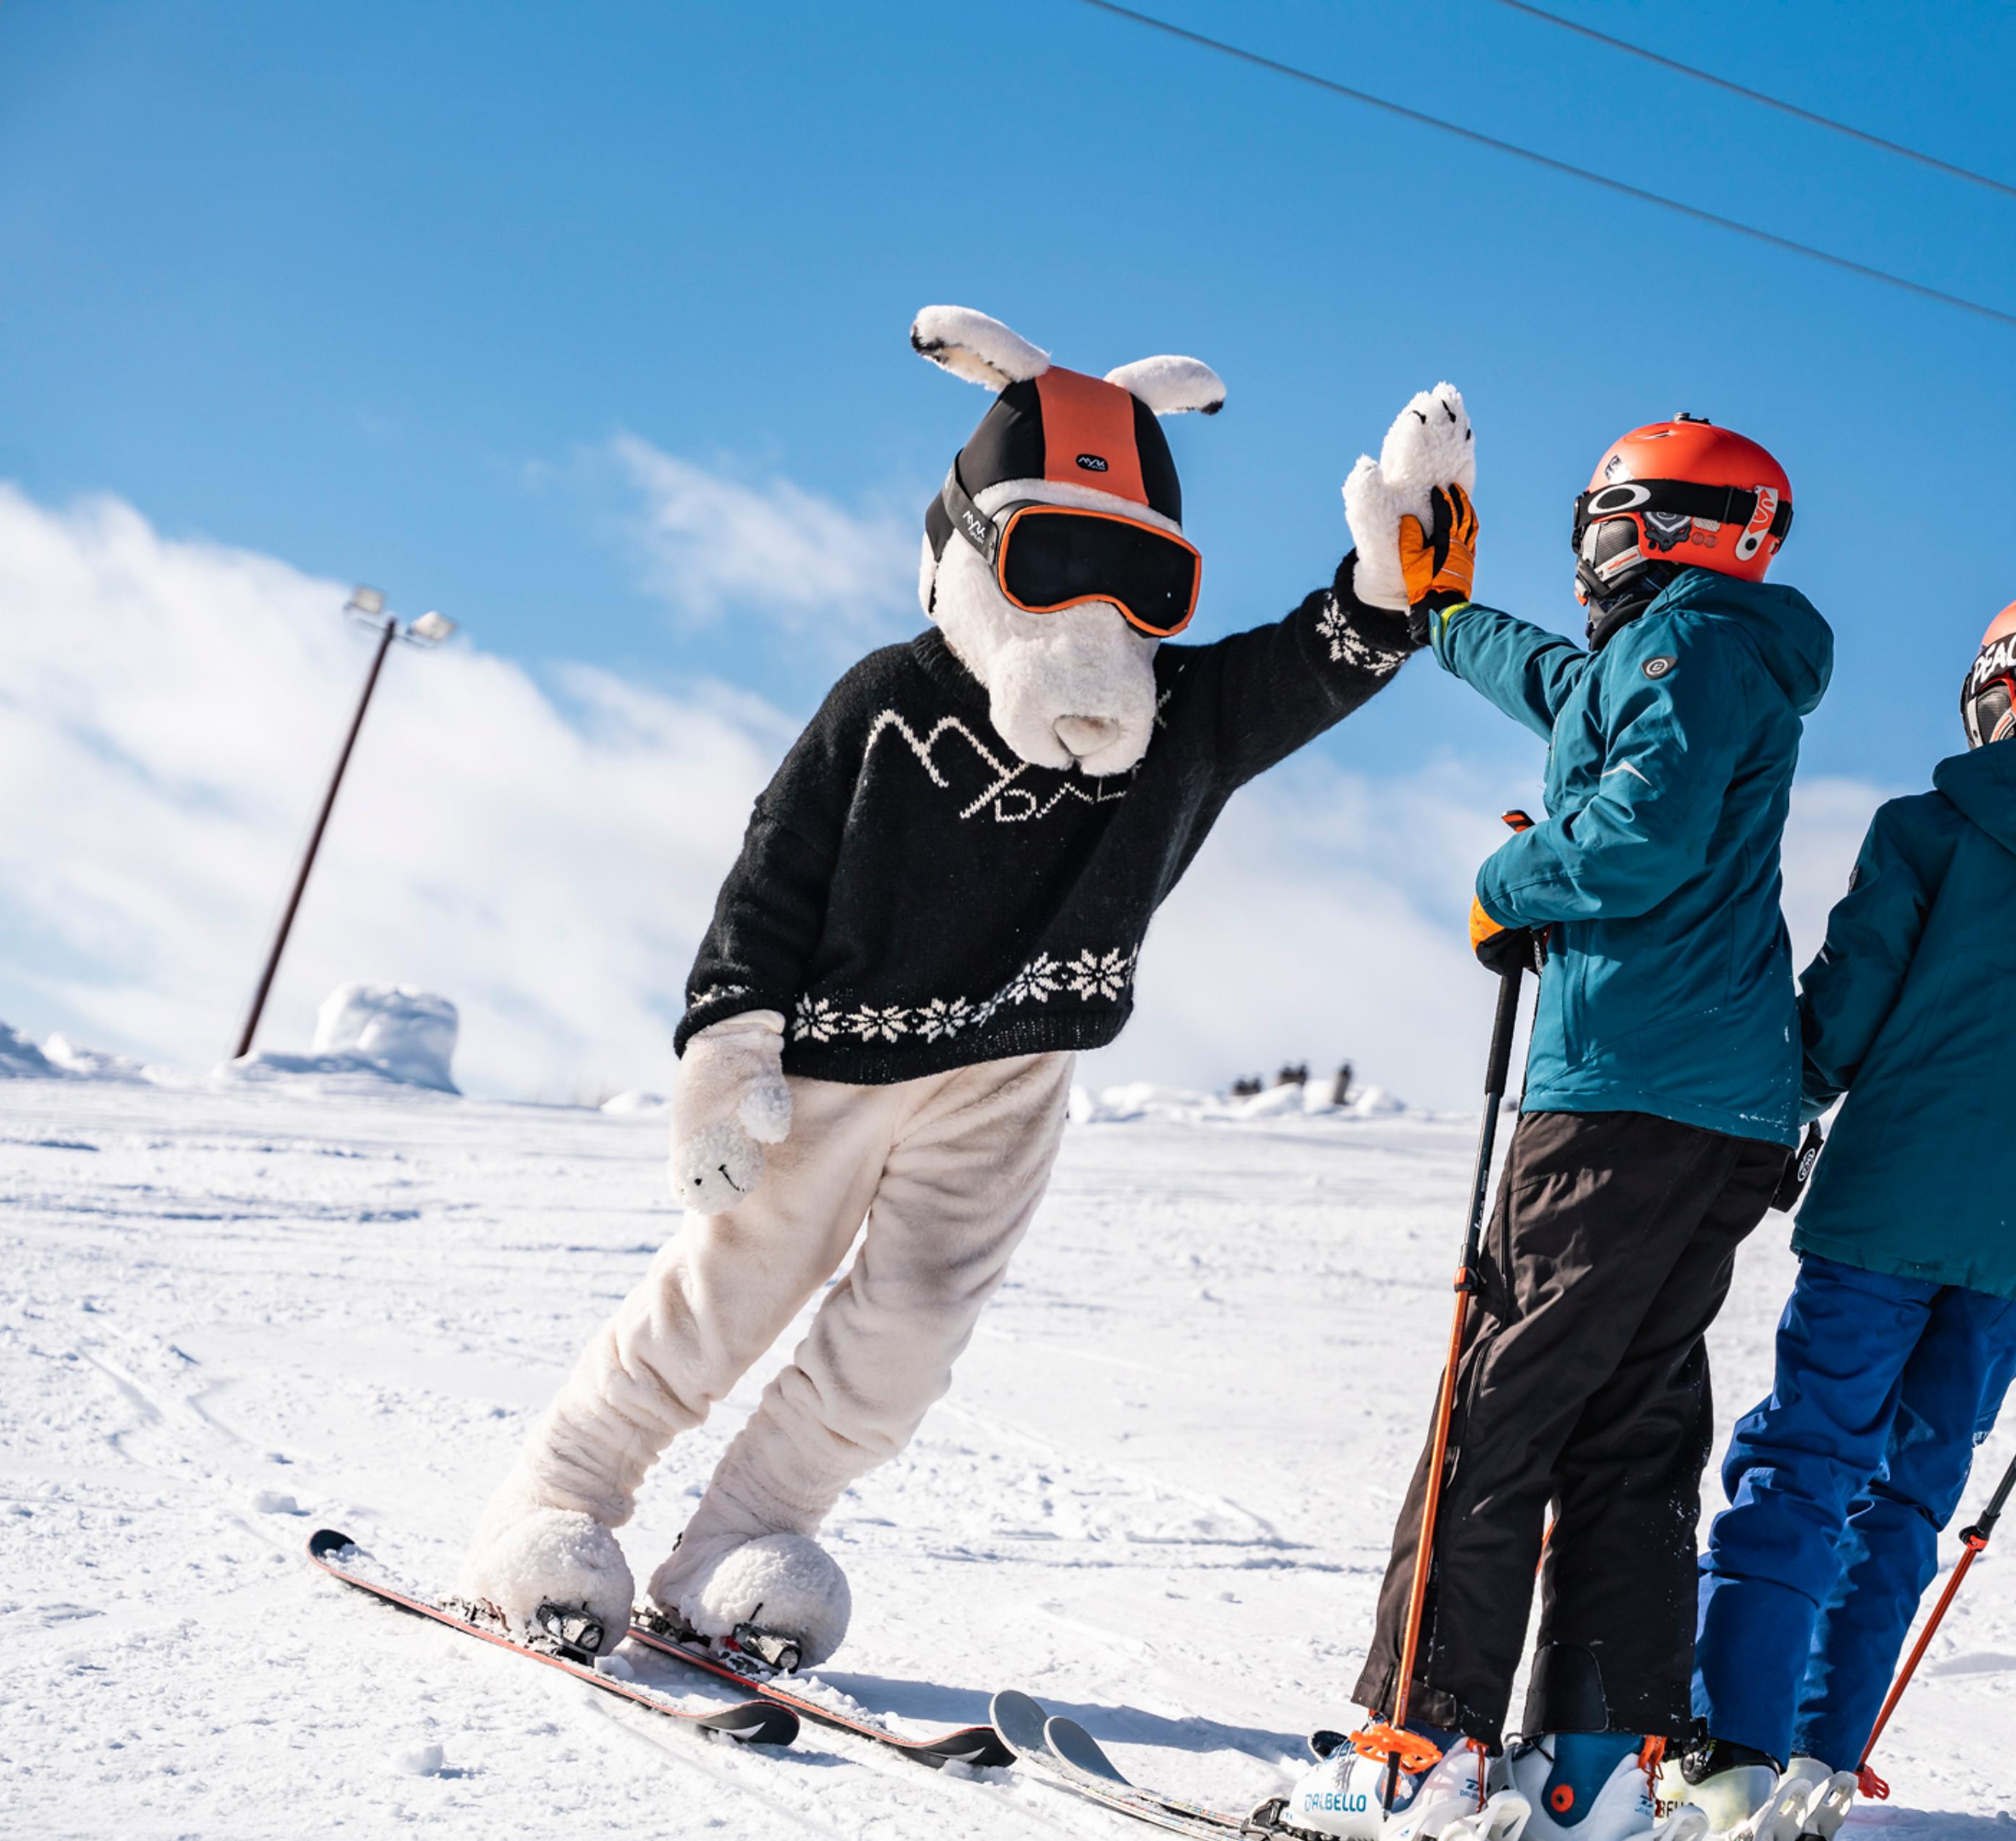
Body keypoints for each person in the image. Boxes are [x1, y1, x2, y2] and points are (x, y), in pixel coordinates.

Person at [455, 306, 1473, 1675]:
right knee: (727, 1294)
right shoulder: (887, 701)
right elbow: (776, 866)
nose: (1100, 623)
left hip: (1012, 1074)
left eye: (1147, 584)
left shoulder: (1179, 724)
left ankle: (736, 1546)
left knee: (910, 1334)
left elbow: (1307, 665)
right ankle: (555, 1505)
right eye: (1055, 562)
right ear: (970, 553)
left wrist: (1389, 586)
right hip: (833, 1065)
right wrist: (727, 1035)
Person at [1286, 417, 1833, 1841]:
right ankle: (1594, 1764)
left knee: (1503, 1399)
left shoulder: (1683, 647)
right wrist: (1448, 619)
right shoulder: (1712, 650)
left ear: (1659, 524)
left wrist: (1511, 877)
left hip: (1623, 1089)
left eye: (1603, 518)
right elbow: (1568, 689)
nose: (1584, 544)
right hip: (1716, 1106)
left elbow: (1635, 837)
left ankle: (1420, 1745)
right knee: (1629, 1418)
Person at [1676, 583, 2016, 1841]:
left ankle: (1728, 1746)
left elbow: (1848, 1004)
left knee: (1807, 1456)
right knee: (1910, 1490)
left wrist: (1788, 1101)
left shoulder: (1929, 830)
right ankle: (1825, 1753)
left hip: (1887, 1205)